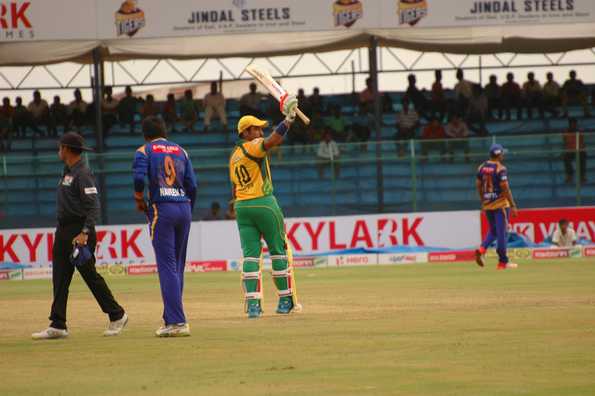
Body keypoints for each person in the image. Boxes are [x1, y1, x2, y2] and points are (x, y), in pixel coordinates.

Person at [32, 132, 127, 340]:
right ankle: (58, 324)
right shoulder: (68, 171)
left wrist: (84, 232)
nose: (58, 150)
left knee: (89, 276)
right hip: (64, 230)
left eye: (60, 147)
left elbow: (94, 206)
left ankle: (117, 315)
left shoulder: (82, 173)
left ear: (66, 149)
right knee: (60, 277)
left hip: (79, 231)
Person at [229, 94, 300, 318]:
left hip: (242, 207)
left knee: (251, 256)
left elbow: (233, 187)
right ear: (246, 132)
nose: (260, 132)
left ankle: (253, 307)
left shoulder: (234, 156)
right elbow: (272, 141)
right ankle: (285, 302)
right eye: (257, 129)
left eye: (260, 129)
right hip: (264, 203)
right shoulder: (253, 146)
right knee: (278, 251)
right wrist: (288, 120)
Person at [132, 116, 197, 337]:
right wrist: (188, 208)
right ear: (165, 131)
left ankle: (178, 322)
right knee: (177, 266)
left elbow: (139, 179)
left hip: (162, 209)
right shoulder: (181, 151)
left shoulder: (144, 151)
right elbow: (193, 185)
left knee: (167, 266)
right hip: (184, 207)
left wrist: (139, 198)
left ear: (145, 133)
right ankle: (171, 319)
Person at [474, 143, 519, 270]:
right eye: (502, 153)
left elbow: (478, 185)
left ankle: (482, 249)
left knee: (493, 231)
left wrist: (483, 200)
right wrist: (513, 205)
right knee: (502, 233)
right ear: (499, 155)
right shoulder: (501, 168)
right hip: (500, 205)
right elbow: (505, 187)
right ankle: (503, 262)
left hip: (488, 204)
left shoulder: (481, 167)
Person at [563, 118, 587, 184]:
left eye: (574, 124)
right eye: (571, 124)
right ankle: (569, 176)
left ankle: (582, 176)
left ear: (576, 124)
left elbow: (582, 142)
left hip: (579, 150)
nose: (573, 125)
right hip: (570, 151)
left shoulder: (579, 132)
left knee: (583, 156)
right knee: (566, 158)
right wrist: (565, 150)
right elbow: (565, 142)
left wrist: (582, 149)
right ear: (569, 124)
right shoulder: (565, 132)